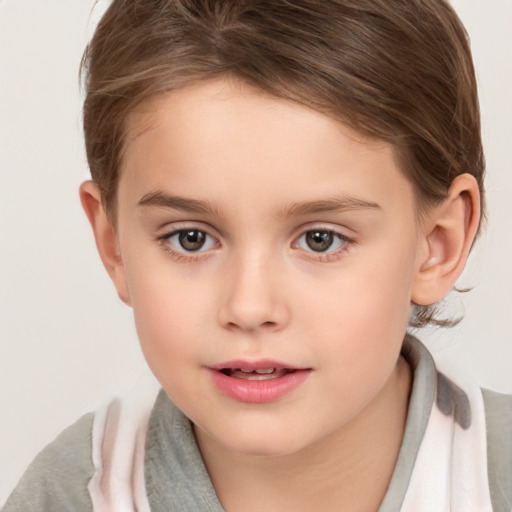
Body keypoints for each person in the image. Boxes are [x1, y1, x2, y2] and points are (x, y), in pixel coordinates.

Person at [3, 0, 511, 510]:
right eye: (191, 239)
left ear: (437, 245)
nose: (249, 307)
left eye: (320, 239)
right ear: (114, 245)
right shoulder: (68, 496)